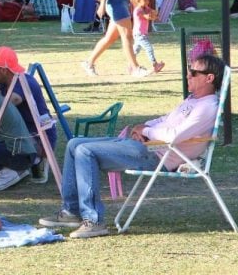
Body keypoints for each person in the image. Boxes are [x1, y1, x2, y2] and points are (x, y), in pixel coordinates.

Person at [39, 54, 226, 239]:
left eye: (193, 72)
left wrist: (145, 131)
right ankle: (71, 211)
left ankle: (94, 221)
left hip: (157, 156)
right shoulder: (192, 101)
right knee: (74, 143)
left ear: (209, 78)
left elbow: (173, 136)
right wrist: (142, 128)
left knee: (85, 151)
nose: (188, 75)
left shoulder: (207, 107)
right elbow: (164, 121)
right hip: (148, 146)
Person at [0, 46, 56, 183]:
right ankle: (12, 167)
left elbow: (12, 101)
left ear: (3, 70)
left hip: (38, 137)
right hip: (25, 133)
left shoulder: (22, 82)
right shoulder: (5, 82)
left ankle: (28, 163)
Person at [130, 0, 165, 73]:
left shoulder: (145, 7)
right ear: (138, 1)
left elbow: (152, 12)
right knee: (149, 48)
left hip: (141, 34)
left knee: (135, 50)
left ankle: (131, 66)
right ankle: (155, 65)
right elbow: (146, 16)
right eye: (145, 0)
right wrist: (152, 16)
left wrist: (155, 13)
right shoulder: (138, 10)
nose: (147, 2)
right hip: (139, 34)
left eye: (148, 0)